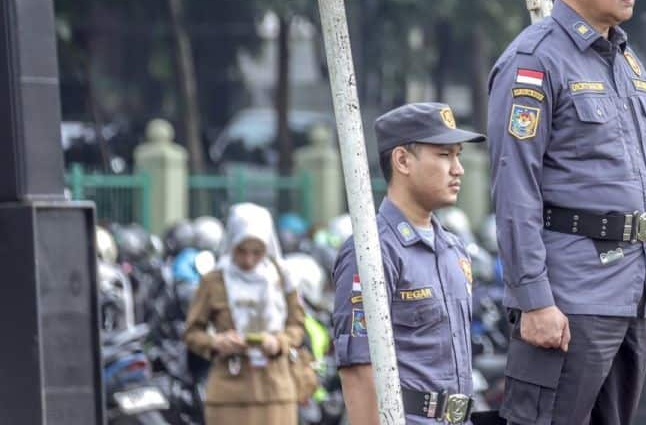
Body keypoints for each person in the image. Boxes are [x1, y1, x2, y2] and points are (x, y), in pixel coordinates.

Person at [487, 0, 646, 425]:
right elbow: (514, 186)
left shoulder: (627, 61)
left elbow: (638, 182)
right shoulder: (535, 60)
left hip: (629, 293)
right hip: (569, 296)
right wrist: (534, 299)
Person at [332, 102, 484, 425]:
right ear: (402, 160)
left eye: (457, 155)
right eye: (444, 155)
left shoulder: (455, 250)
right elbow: (359, 371)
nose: (458, 168)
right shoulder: (373, 252)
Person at [184, 203, 306, 425]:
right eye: (241, 250)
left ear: (267, 248)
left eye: (257, 252)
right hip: (229, 394)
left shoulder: (283, 278)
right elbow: (192, 333)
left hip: (276, 391)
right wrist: (216, 342)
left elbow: (298, 326)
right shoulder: (214, 281)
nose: (249, 260)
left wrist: (279, 342)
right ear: (231, 243)